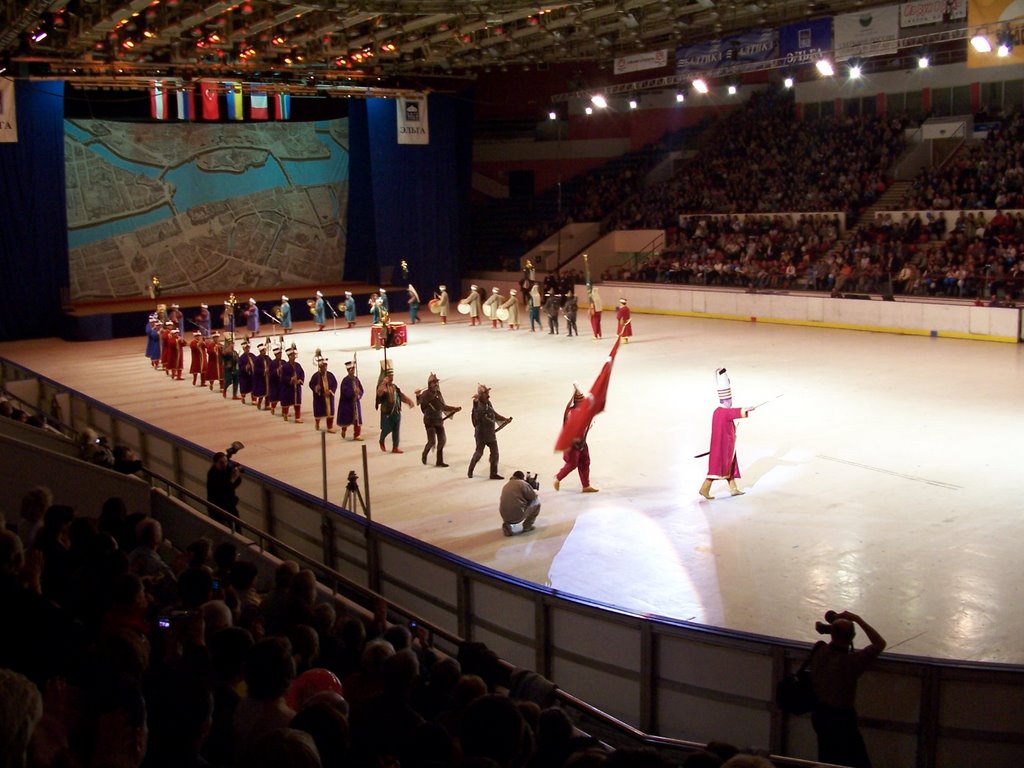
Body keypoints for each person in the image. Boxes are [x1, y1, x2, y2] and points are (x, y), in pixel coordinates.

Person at [808, 611, 887, 768]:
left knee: (827, 761)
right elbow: (879, 644)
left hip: (820, 715)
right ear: (852, 637)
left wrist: (831, 628)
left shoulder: (819, 652)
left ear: (832, 634)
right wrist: (858, 619)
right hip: (842, 720)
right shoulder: (852, 662)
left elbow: (837, 639)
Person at [699, 368, 755, 500]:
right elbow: (736, 412)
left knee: (729, 466)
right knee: (716, 470)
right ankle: (704, 488)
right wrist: (748, 408)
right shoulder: (725, 412)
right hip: (723, 448)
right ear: (726, 400)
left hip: (725, 446)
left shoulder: (717, 412)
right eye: (730, 399)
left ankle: (734, 488)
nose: (731, 401)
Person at [554, 385, 598, 493]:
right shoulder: (573, 413)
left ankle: (586, 485)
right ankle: (558, 478)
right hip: (572, 443)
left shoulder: (580, 411)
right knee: (572, 463)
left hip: (581, 442)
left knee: (585, 461)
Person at [416, 373, 461, 467]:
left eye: (436, 382)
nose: (436, 384)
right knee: (432, 441)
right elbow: (420, 403)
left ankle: (439, 461)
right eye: (434, 382)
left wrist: (454, 408)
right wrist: (418, 396)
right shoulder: (426, 394)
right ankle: (424, 454)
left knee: (442, 440)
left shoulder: (438, 394)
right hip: (429, 421)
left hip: (438, 420)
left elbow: (442, 407)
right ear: (429, 384)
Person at [468, 384, 510, 480]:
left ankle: (493, 473)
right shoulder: (478, 406)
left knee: (495, 453)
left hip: (490, 433)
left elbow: (493, 414)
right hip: (481, 435)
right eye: (486, 393)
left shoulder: (488, 403)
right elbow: (477, 412)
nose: (488, 395)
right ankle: (470, 469)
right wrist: (475, 402)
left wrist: (504, 419)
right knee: (478, 453)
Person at [376, 366, 414, 453]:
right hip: (387, 413)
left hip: (396, 411)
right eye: (389, 376)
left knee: (396, 430)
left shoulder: (394, 387)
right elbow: (379, 392)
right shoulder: (383, 387)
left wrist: (408, 401)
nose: (391, 378)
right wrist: (383, 383)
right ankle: (382, 439)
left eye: (392, 376)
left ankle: (395, 447)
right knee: (387, 429)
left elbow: (401, 396)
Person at [207, 451, 242, 532]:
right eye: (221, 462)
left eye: (226, 462)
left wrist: (236, 474)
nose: (225, 464)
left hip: (229, 506)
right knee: (218, 531)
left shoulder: (226, 470)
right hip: (216, 508)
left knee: (238, 531)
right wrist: (232, 479)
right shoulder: (213, 474)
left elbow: (236, 483)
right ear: (215, 463)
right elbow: (224, 490)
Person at [499, 471, 540, 537]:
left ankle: (507, 524)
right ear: (522, 478)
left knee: (510, 503)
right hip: (518, 515)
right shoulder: (522, 484)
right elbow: (533, 497)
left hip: (504, 515)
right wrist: (532, 488)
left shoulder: (506, 485)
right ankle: (527, 526)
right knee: (537, 502)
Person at [309, 354, 338, 433]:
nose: (324, 368)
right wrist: (316, 388)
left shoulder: (330, 375)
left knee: (330, 413)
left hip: (329, 397)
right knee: (319, 412)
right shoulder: (316, 376)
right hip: (320, 398)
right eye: (323, 366)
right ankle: (317, 423)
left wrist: (331, 391)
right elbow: (311, 384)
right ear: (320, 367)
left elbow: (335, 383)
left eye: (326, 366)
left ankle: (330, 426)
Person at [338, 361, 364, 440]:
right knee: (347, 419)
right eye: (351, 370)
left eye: (353, 369)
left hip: (356, 403)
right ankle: (344, 429)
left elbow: (361, 389)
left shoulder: (356, 379)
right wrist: (353, 393)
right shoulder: (345, 381)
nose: (353, 371)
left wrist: (359, 394)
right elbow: (345, 391)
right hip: (348, 403)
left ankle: (357, 434)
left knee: (357, 419)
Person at [280, 344, 304, 423]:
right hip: (288, 388)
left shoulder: (298, 365)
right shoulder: (285, 366)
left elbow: (301, 373)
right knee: (287, 402)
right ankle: (285, 413)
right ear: (289, 356)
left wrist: (300, 380)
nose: (294, 357)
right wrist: (290, 379)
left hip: (296, 387)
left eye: (294, 355)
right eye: (292, 355)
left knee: (297, 403)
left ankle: (297, 417)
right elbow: (283, 377)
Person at [252, 341, 270, 410]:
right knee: (262, 392)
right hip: (261, 378)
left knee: (268, 391)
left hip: (267, 377)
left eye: (265, 350)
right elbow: (256, 370)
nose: (264, 352)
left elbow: (271, 365)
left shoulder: (267, 358)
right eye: (263, 351)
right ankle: (259, 402)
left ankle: (267, 405)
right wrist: (263, 371)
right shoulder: (257, 359)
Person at [267, 343, 284, 415]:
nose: (280, 355)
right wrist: (277, 370)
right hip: (275, 383)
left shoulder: (284, 362)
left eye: (280, 354)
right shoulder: (272, 363)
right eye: (278, 354)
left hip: (282, 383)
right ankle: (273, 407)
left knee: (284, 397)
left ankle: (284, 411)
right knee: (275, 398)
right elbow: (270, 374)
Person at [238, 338, 255, 405]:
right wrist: (245, 367)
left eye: (248, 348)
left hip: (252, 375)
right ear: (243, 349)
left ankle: (254, 400)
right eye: (246, 348)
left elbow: (256, 362)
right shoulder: (242, 358)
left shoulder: (252, 355)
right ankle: (243, 397)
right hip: (244, 376)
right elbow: (240, 367)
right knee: (245, 388)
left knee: (254, 386)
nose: (248, 349)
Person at [222, 336, 240, 400]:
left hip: (235, 368)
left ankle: (234, 395)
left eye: (233, 343)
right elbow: (224, 353)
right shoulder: (225, 351)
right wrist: (229, 347)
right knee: (228, 381)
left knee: (236, 381)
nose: (232, 345)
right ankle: (224, 389)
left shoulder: (235, 352)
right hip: (228, 369)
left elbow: (238, 359)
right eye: (230, 343)